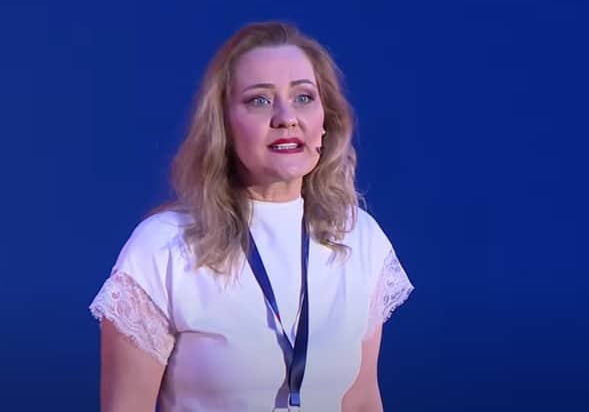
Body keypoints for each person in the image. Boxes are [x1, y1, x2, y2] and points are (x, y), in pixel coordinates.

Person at [89, 21, 414, 412]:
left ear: (326, 121)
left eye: (304, 97)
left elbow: (360, 400)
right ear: (223, 124)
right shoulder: (162, 248)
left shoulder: (359, 238)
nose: (286, 117)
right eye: (259, 100)